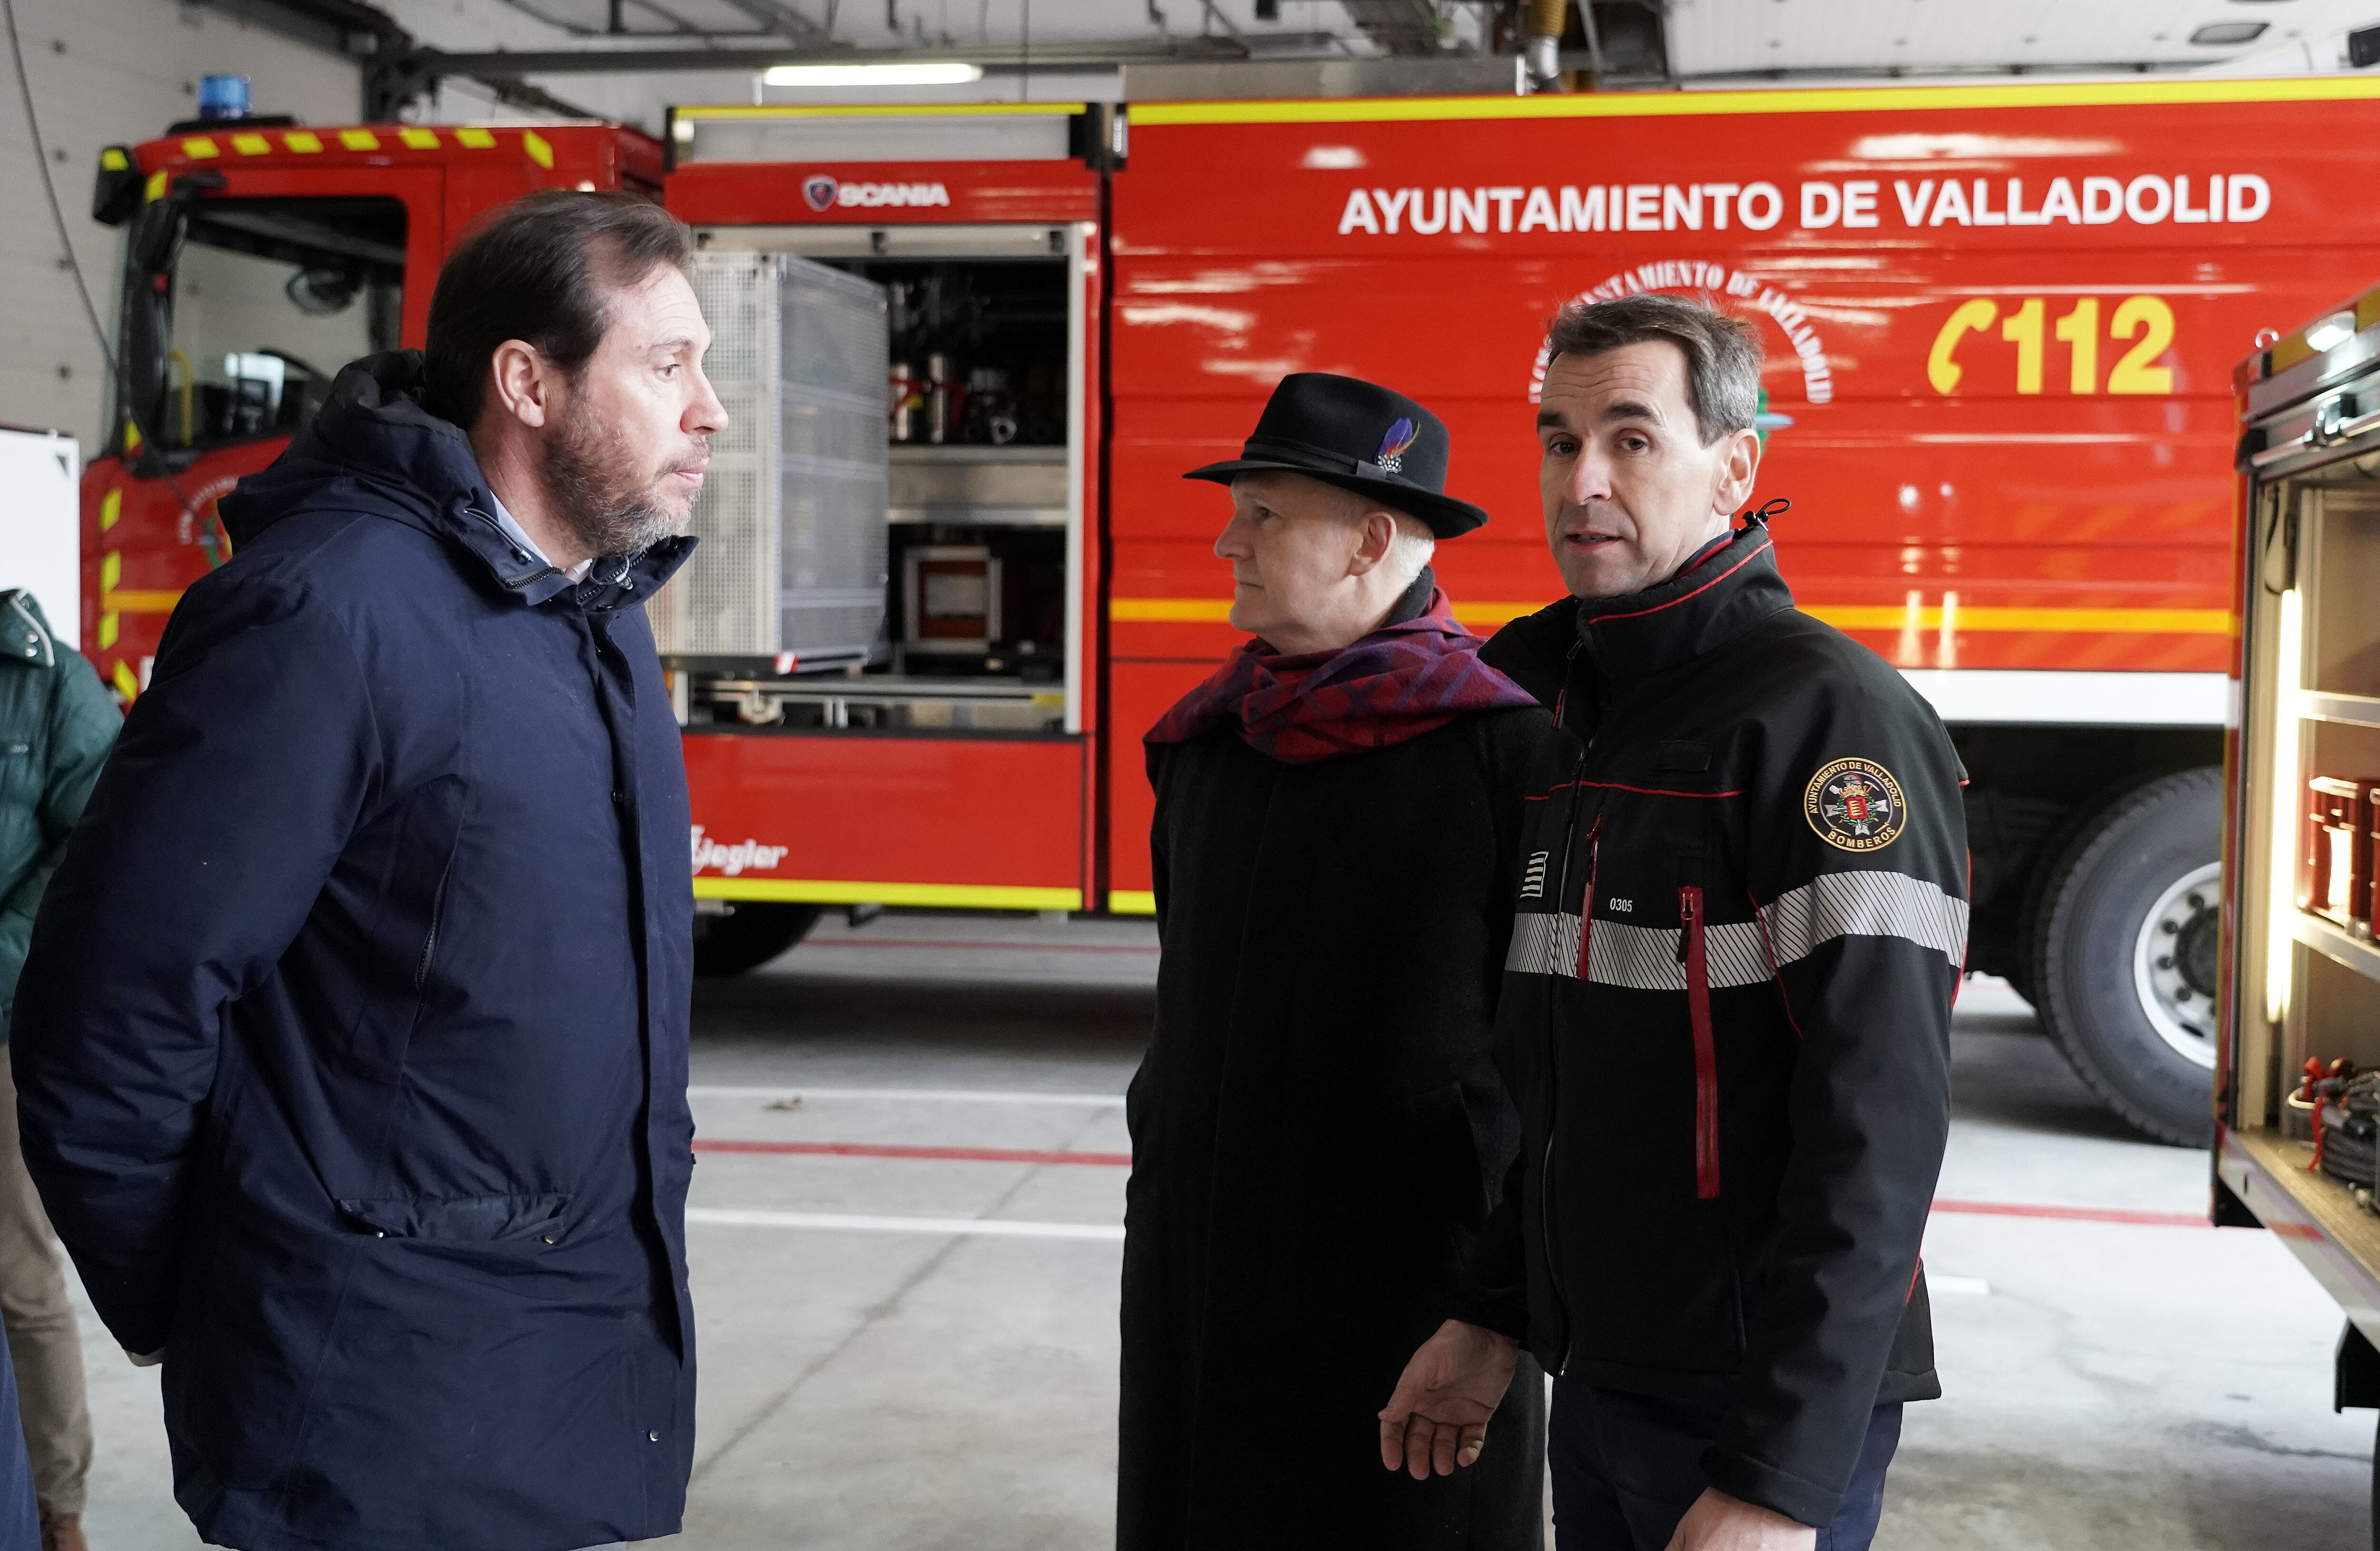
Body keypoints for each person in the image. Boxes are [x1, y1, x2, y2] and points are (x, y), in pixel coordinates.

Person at [10, 190, 724, 1551]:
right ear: (527, 379)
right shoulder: (325, 615)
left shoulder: (596, 619)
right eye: (665, 363)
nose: (710, 410)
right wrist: (200, 1285)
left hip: (556, 1382)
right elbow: (109, 1014)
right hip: (373, 1417)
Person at [1379, 294, 1966, 1551]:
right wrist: (1494, 1312)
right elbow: (1566, 1089)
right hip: (1600, 1381)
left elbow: (1879, 1130)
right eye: (1557, 439)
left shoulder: (1827, 725)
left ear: (1735, 466)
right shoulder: (1583, 707)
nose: (1582, 479)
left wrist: (1778, 1478)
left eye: (1632, 439)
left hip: (1740, 1409)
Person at [1120, 373, 1553, 1550]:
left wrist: (1496, 1310)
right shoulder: (1207, 746)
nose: (1226, 540)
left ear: (1371, 539)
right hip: (1198, 1272)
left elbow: (1549, 1069)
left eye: (1263, 514)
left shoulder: (1506, 753)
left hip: (1406, 1295)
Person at [0, 589, 112, 1551]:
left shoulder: (46, 681)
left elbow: (98, 843)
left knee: (20, 1276)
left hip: (3, 1016)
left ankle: (56, 1509)